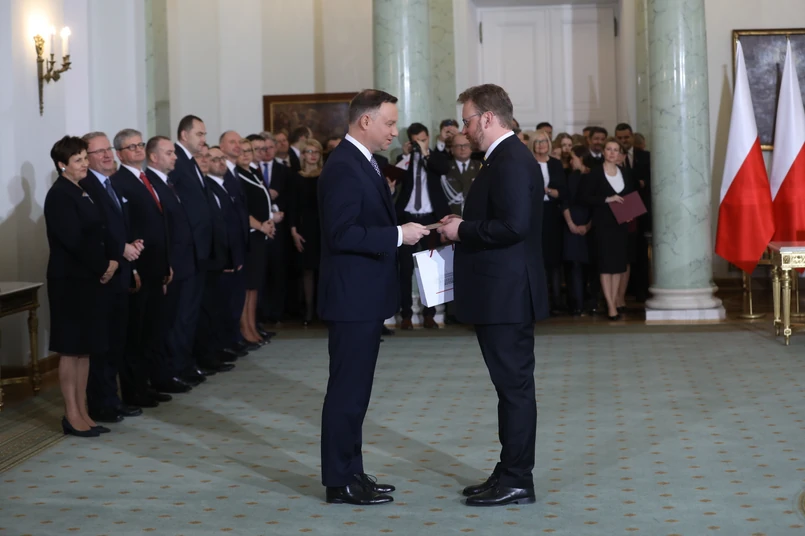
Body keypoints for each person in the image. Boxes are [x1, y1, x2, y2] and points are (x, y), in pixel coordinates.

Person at [318, 89, 430, 506]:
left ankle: (352, 472)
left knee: (357, 393)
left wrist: (411, 229)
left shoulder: (363, 161)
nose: (395, 132)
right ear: (365, 121)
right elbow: (342, 234)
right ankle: (339, 481)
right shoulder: (344, 166)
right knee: (347, 392)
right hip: (352, 297)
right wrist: (398, 234)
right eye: (389, 123)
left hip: (363, 295)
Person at [438, 84, 548, 507]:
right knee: (508, 389)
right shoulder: (501, 158)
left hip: (507, 295)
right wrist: (461, 224)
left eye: (467, 120)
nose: (463, 130)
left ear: (487, 117)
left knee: (514, 389)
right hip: (499, 292)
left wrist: (462, 230)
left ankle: (518, 478)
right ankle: (508, 470)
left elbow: (514, 226)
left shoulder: (511, 159)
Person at [45, 136, 119, 437]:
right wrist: (103, 266)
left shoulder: (83, 190)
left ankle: (84, 411)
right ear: (62, 165)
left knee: (85, 349)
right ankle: (71, 414)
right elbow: (73, 240)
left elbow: (101, 230)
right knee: (70, 348)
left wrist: (112, 261)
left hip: (90, 279)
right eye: (78, 160)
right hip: (70, 282)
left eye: (85, 158)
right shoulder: (59, 195)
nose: (85, 163)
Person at [583, 138, 636, 320]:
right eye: (609, 149)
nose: (612, 153)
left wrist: (630, 213)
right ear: (604, 152)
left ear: (620, 153)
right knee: (606, 265)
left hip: (621, 224)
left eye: (615, 150)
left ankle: (614, 301)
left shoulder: (625, 172)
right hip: (603, 224)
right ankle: (611, 306)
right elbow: (585, 197)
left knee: (618, 265)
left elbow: (630, 195)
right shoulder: (595, 173)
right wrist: (607, 199)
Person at [290, 139, 325, 325]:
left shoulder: (325, 175)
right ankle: (309, 311)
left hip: (324, 228)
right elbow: (292, 206)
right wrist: (293, 231)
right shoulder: (296, 177)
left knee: (324, 270)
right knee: (307, 270)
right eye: (309, 152)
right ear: (303, 155)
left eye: (316, 152)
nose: (313, 155)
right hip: (304, 228)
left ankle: (324, 310)